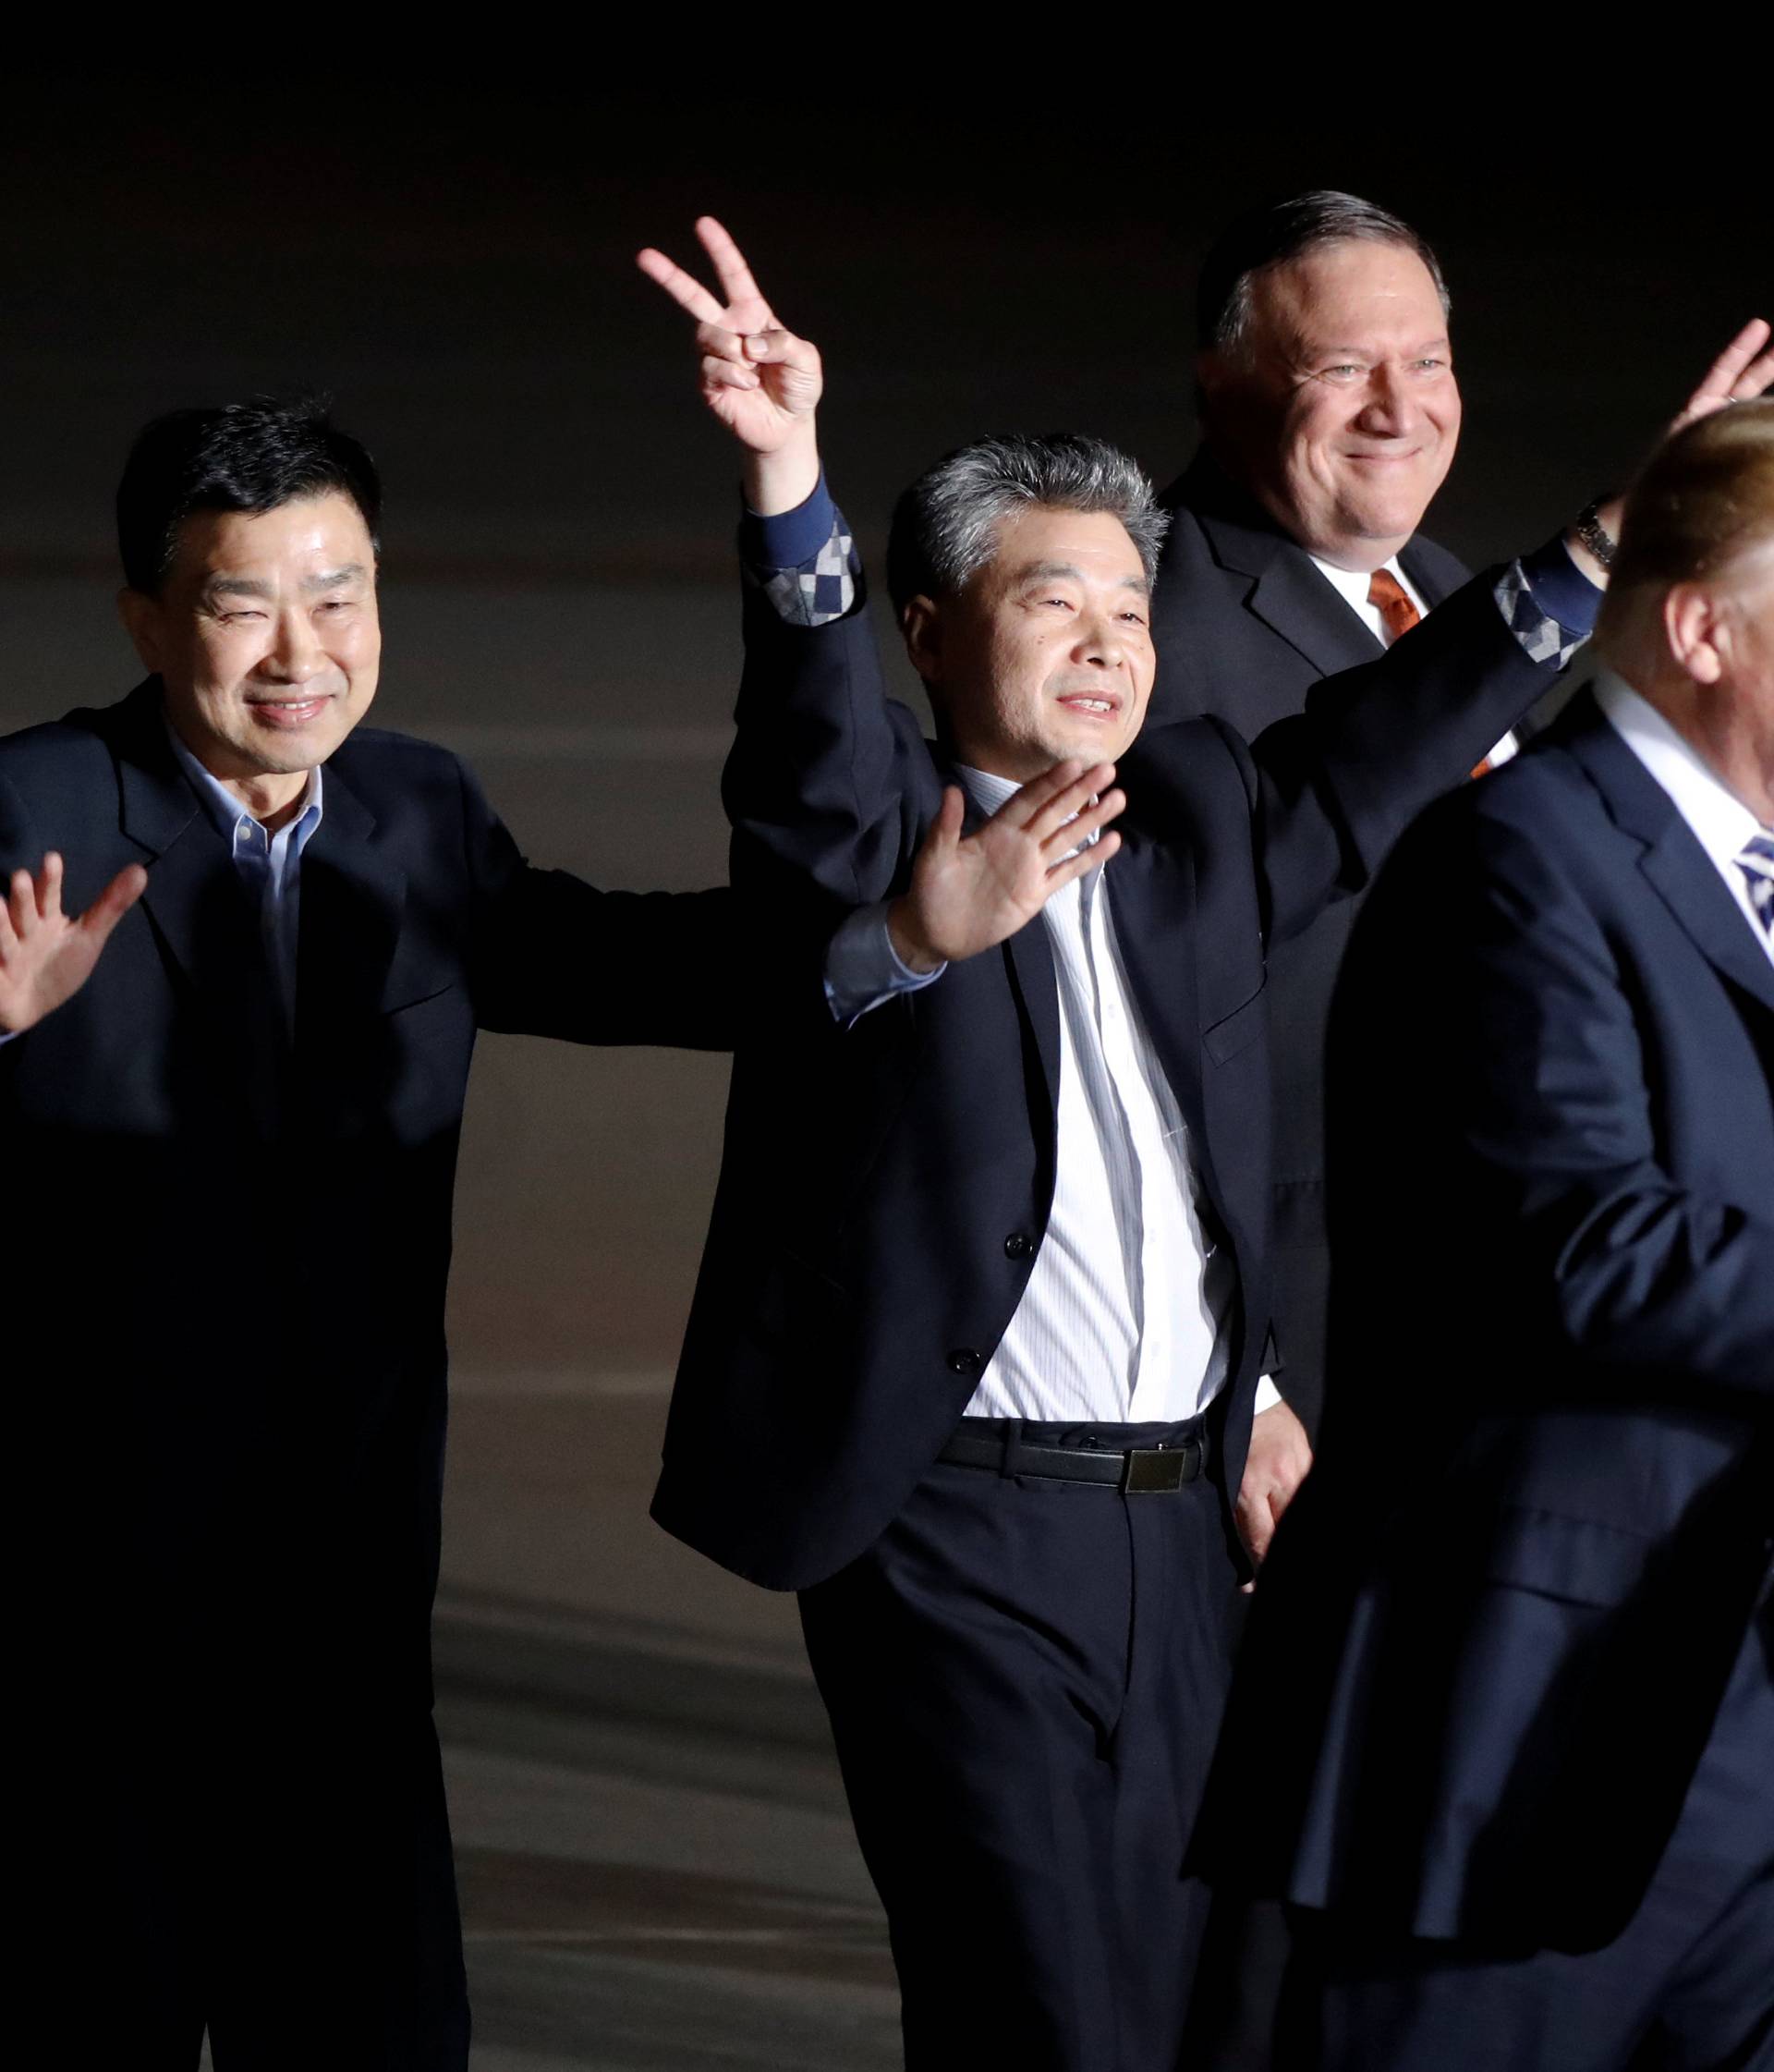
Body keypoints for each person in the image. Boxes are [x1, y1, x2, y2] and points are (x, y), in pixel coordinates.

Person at [633, 218, 1650, 2071]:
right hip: (962, 1530)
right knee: (1044, 2006)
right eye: (1050, 606)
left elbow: (1377, 743)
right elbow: (804, 740)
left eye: (1129, 609)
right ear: (934, 632)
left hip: (1187, 1532)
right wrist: (788, 483)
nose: (1108, 646)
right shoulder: (877, 829)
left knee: (1207, 2012)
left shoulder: (1188, 820)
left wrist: (1586, 556)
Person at [0, 396, 734, 2069]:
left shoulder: (417, 809)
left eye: (339, 592)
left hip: (340, 1627)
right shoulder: (30, 812)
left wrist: (912, 928)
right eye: (242, 599)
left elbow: (620, 964)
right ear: (142, 614)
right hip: (77, 1645)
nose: (299, 651)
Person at [1207, 400, 1774, 2071]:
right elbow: (1586, 1244)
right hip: (1530, 1729)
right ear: (1700, 628)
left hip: (1738, 1718)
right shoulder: (1517, 860)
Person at [1150, 189, 1774, 1448]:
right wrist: (1245, 1385)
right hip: (1305, 1375)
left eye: (1428, 362)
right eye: (1342, 367)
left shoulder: (1434, 590)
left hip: (1507, 1335)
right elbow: (1136, 1023)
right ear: (1220, 386)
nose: (1401, 408)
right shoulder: (1154, 620)